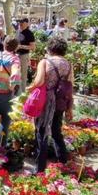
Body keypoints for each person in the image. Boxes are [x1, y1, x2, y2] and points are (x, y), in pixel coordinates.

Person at [28, 37, 73, 174]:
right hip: (60, 101)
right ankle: (63, 163)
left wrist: (30, 88)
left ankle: (40, 168)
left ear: (50, 49)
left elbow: (39, 81)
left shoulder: (45, 62)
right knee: (56, 132)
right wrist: (69, 108)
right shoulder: (68, 64)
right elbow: (70, 87)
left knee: (41, 133)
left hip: (45, 101)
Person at [15, 18, 36, 93]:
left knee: (23, 76)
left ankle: (22, 93)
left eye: (22, 23)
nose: (20, 25)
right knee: (15, 74)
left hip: (24, 56)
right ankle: (16, 92)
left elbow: (33, 47)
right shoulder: (18, 32)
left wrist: (21, 46)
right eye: (20, 23)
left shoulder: (29, 33)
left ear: (27, 23)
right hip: (16, 56)